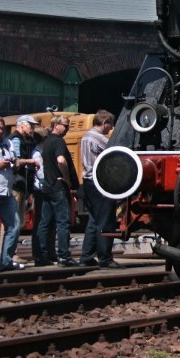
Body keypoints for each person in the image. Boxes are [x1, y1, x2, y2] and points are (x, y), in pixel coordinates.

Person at [79, 110, 124, 268]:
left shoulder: (85, 136)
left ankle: (86, 257)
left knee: (94, 220)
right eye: (110, 124)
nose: (111, 128)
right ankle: (105, 258)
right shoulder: (99, 138)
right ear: (105, 122)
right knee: (106, 220)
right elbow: (115, 154)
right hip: (100, 183)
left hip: (87, 182)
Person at [37, 115, 80, 267]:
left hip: (47, 187)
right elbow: (61, 160)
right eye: (66, 125)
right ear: (56, 125)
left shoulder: (47, 142)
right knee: (63, 222)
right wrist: (67, 179)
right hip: (58, 187)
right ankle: (64, 256)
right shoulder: (58, 141)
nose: (67, 129)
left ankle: (41, 255)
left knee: (45, 223)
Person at [0, 115, 28, 270]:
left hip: (7, 192)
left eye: (0, 128)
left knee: (14, 226)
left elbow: (16, 160)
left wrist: (15, 164)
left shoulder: (8, 143)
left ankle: (6, 261)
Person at [6, 114, 40, 242]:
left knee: (17, 220)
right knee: (14, 220)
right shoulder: (16, 139)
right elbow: (17, 161)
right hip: (17, 183)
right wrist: (32, 161)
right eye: (30, 125)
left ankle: (11, 253)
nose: (32, 128)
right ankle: (11, 254)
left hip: (20, 183)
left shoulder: (23, 139)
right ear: (21, 125)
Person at [30, 124, 56, 266]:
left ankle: (50, 252)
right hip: (42, 190)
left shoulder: (44, 151)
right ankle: (39, 253)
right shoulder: (37, 153)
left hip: (47, 188)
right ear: (44, 138)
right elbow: (41, 173)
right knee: (42, 221)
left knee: (50, 221)